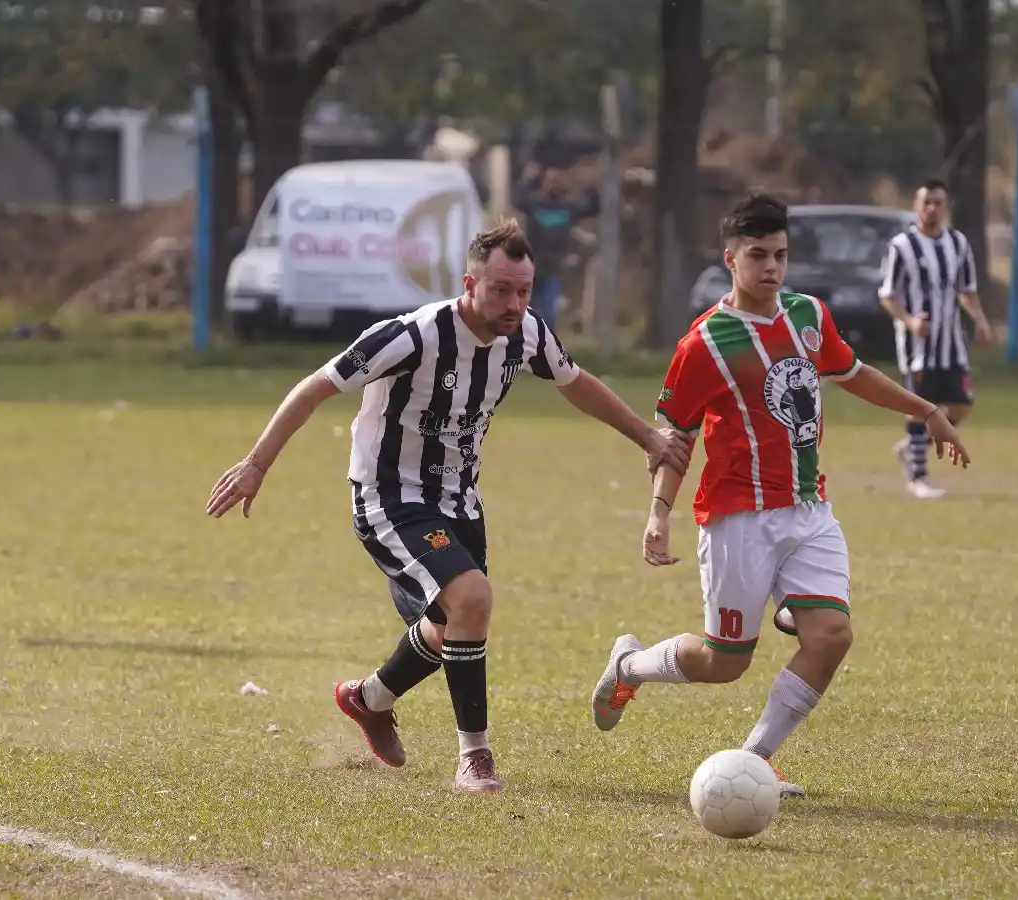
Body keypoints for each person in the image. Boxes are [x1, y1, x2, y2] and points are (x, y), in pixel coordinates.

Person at [206, 219, 692, 794]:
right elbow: (315, 387)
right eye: (501, 290)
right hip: (390, 497)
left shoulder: (528, 334)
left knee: (453, 625)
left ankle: (369, 699)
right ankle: (476, 757)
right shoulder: (411, 336)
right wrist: (257, 464)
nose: (515, 304)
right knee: (472, 599)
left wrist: (647, 437)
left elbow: (576, 382)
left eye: (524, 291)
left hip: (459, 500)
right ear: (470, 283)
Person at [588, 193, 971, 796]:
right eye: (758, 255)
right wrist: (658, 513)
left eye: (781, 255)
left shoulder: (808, 316)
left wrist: (927, 411)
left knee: (833, 637)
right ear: (731, 259)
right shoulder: (705, 344)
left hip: (809, 509)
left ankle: (754, 757)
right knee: (724, 664)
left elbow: (852, 374)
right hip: (737, 517)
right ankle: (629, 665)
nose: (772, 267)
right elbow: (674, 438)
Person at [879, 178, 993, 499]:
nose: (931, 208)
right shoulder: (902, 246)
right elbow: (888, 295)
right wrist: (910, 320)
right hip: (917, 347)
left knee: (961, 404)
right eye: (926, 202)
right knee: (918, 406)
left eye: (937, 202)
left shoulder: (958, 243)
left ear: (946, 207)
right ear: (916, 207)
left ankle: (911, 448)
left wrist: (981, 321)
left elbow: (967, 291)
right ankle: (919, 477)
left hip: (951, 342)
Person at [511, 163, 599, 331]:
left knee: (549, 316)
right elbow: (517, 199)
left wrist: (590, 186)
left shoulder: (568, 207)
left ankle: (543, 349)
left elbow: (593, 207)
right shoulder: (534, 203)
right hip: (529, 268)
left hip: (552, 269)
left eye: (559, 181)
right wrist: (527, 180)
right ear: (544, 182)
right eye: (551, 181)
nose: (555, 185)